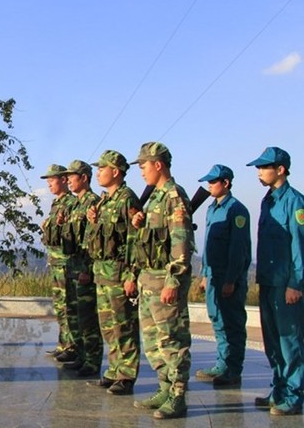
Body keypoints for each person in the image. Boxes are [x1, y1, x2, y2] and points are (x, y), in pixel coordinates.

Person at [129, 142, 194, 420]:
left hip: (164, 280)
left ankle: (178, 396)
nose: (141, 171)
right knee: (153, 341)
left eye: (143, 165)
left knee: (173, 340)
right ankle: (164, 388)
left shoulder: (173, 196)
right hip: (148, 279)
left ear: (158, 164)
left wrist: (173, 281)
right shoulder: (154, 198)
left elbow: (181, 241)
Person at [246, 147, 304, 416]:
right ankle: (278, 389)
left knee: (290, 341)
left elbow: (300, 247)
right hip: (268, 281)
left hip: (286, 285)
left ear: (280, 169)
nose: (259, 172)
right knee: (273, 341)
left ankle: (293, 395)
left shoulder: (295, 202)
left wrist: (296, 284)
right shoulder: (267, 201)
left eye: (264, 167)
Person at [85, 150, 141, 395]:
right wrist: (93, 220)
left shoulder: (127, 199)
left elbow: (135, 240)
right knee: (108, 326)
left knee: (124, 325)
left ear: (115, 171)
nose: (98, 173)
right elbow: (93, 240)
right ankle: (113, 370)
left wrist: (131, 276)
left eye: (102, 168)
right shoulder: (104, 201)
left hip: (119, 272)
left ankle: (126, 376)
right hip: (102, 272)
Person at [195, 164, 251, 388]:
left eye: (213, 181)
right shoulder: (212, 208)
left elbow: (239, 249)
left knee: (233, 324)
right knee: (217, 321)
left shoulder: (236, 210)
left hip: (228, 279)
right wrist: (204, 273)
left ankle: (233, 370)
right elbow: (209, 245)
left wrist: (231, 280)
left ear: (225, 183)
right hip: (213, 276)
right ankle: (222, 364)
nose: (209, 185)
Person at [57, 160, 102, 378]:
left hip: (84, 269)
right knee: (74, 315)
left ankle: (92, 361)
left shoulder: (93, 202)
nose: (68, 180)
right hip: (71, 267)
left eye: (72, 176)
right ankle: (81, 355)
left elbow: (94, 241)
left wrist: (89, 269)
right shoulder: (74, 204)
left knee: (88, 319)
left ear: (84, 178)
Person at [39, 164, 77, 361]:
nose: (49, 185)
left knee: (68, 306)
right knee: (60, 306)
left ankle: (71, 346)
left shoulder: (71, 203)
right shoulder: (56, 204)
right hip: (55, 262)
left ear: (63, 180)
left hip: (66, 263)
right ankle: (63, 343)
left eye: (51, 180)